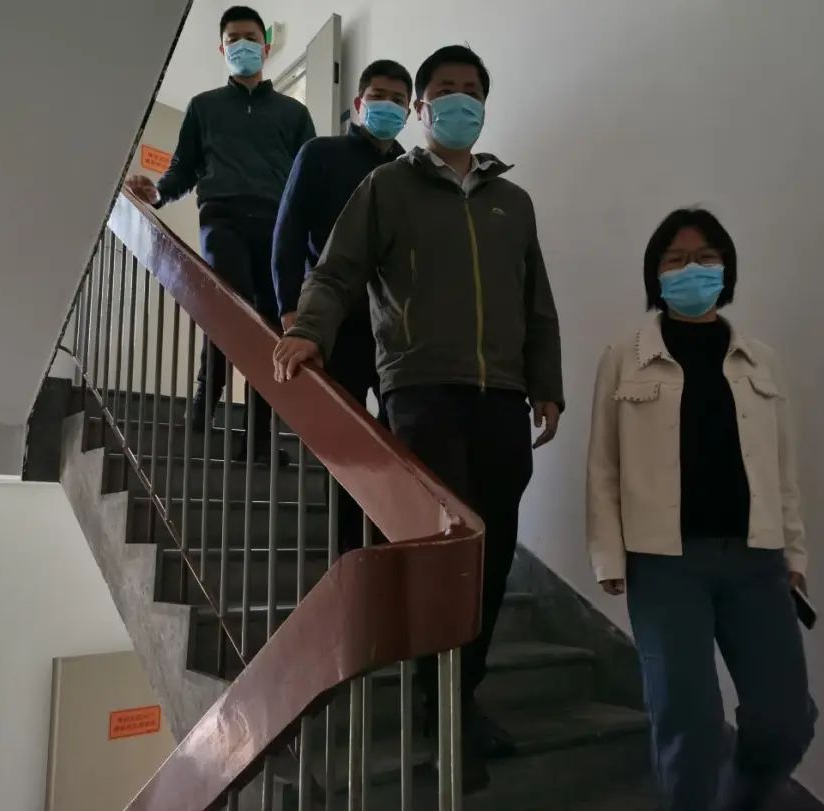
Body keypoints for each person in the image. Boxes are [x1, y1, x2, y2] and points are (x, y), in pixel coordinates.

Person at [272, 45, 564, 791]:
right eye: (444, 90)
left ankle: (463, 694)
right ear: (423, 108)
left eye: (471, 90)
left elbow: (536, 301)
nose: (459, 100)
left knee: (493, 554)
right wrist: (308, 329)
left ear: (484, 104)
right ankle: (441, 708)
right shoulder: (386, 186)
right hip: (421, 392)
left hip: (502, 397)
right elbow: (337, 268)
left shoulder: (513, 202)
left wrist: (546, 384)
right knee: (443, 555)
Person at [586, 208, 817, 811]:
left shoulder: (761, 360)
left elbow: (782, 469)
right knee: (688, 722)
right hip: (665, 564)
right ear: (655, 274)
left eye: (706, 258)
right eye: (676, 259)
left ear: (727, 269)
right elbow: (604, 466)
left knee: (785, 722)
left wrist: (794, 555)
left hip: (757, 560)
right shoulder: (625, 356)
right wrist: (608, 554)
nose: (692, 269)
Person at [125, 5, 314, 460]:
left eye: (250, 37)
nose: (242, 45)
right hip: (222, 218)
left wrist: (309, 240)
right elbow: (183, 168)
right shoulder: (204, 107)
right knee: (232, 310)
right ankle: (202, 406)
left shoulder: (293, 113)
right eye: (233, 39)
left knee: (269, 326)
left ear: (265, 46)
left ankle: (258, 440)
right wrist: (158, 194)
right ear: (222, 47)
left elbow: (307, 178)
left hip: (277, 226)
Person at [271, 58, 413, 553]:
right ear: (357, 103)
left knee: (400, 440)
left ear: (411, 111)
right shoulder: (320, 154)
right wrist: (291, 309)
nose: (388, 107)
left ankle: (390, 543)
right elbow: (288, 233)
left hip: (394, 328)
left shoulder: (408, 171)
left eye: (398, 100)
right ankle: (347, 552)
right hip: (336, 323)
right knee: (348, 443)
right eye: (379, 96)